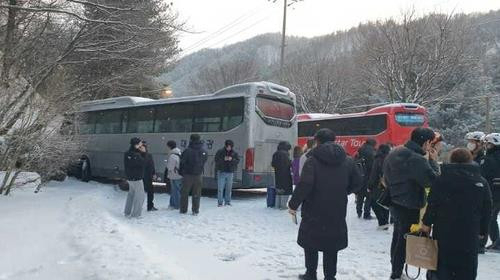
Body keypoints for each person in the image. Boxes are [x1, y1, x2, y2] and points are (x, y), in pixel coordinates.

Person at [288, 128, 362, 280]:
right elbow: (358, 182)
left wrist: (293, 204)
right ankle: (330, 276)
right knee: (332, 244)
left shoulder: (312, 160)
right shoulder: (347, 160)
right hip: (337, 209)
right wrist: (343, 191)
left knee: (310, 242)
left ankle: (311, 274)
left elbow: (305, 185)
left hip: (314, 208)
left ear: (317, 141)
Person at [421, 148, 492, 280]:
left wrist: (426, 223)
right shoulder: (481, 182)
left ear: (451, 160)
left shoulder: (441, 181)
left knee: (442, 264)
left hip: (444, 230)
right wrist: (483, 230)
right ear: (470, 161)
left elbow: (432, 204)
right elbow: (487, 209)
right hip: (469, 232)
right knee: (467, 267)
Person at [383, 127, 440, 280]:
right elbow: (432, 181)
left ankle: (395, 269)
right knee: (404, 239)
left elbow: (386, 177)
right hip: (411, 204)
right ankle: (396, 274)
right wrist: (434, 162)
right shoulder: (416, 159)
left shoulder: (395, 152)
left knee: (398, 237)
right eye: (431, 143)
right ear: (426, 142)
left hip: (395, 202)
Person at [480, 133, 500, 252]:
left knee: (490, 218)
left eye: (488, 143)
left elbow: (483, 176)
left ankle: (496, 242)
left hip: (493, 193)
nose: (486, 146)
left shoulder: (488, 159)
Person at [179, 134, 208, 215]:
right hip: (198, 175)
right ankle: (195, 210)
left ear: (191, 140)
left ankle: (183, 209)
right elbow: (204, 160)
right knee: (197, 193)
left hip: (188, 175)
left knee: (185, 193)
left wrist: (182, 172)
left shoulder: (187, 150)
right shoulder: (203, 151)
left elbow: (182, 162)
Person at [367, 144, 391, 230]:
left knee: (374, 203)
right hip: (388, 186)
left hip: (378, 185)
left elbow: (374, 174)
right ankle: (385, 223)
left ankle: (382, 223)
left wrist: (369, 186)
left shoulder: (378, 159)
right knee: (385, 204)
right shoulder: (390, 159)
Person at [124, 137, 146, 218]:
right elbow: (143, 163)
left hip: (130, 177)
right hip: (137, 178)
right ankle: (136, 214)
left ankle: (127, 211)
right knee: (140, 196)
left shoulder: (127, 153)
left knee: (131, 194)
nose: (141, 144)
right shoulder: (136, 155)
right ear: (136, 145)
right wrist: (144, 153)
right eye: (140, 143)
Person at [355, 138, 377, 219]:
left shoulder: (361, 149)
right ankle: (366, 213)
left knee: (360, 195)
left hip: (360, 175)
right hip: (368, 176)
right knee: (369, 195)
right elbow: (372, 165)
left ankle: (359, 211)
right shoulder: (371, 151)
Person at [215, 140, 240, 207]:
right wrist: (224, 159)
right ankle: (220, 202)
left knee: (229, 188)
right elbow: (216, 160)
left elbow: (237, 161)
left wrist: (232, 159)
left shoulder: (234, 153)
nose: (229, 148)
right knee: (220, 188)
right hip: (221, 171)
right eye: (228, 147)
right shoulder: (220, 152)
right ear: (225, 146)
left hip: (230, 172)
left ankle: (227, 202)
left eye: (230, 147)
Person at [272, 141, 293, 210]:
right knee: (285, 190)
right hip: (285, 175)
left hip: (277, 174)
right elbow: (288, 164)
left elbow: (273, 164)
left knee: (279, 191)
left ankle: (277, 205)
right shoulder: (285, 154)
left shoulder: (275, 153)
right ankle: (283, 206)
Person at [140, 141, 157, 211]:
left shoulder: (149, 155)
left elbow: (152, 165)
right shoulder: (139, 155)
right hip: (141, 176)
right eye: (142, 146)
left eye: (145, 146)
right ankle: (139, 206)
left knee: (150, 191)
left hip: (148, 176)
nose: (144, 148)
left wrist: (154, 173)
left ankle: (150, 206)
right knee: (141, 192)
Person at [166, 140, 182, 210]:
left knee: (175, 190)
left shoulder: (172, 155)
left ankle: (177, 205)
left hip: (174, 175)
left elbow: (170, 167)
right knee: (175, 190)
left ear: (169, 146)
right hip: (179, 174)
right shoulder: (179, 153)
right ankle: (172, 204)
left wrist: (167, 166)